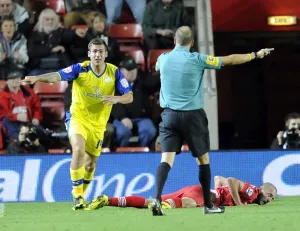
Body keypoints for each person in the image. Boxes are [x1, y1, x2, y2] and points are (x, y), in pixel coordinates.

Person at [151, 26, 274, 216]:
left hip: (169, 116)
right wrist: (255, 55)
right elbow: (230, 59)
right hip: (192, 116)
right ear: (192, 43)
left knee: (166, 159)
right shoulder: (198, 59)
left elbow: (158, 67)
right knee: (203, 160)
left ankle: (157, 199)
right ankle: (209, 206)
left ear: (174, 41)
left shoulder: (163, 58)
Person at [20, 38, 133, 211]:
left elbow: (129, 96)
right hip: (77, 118)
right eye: (94, 51)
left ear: (106, 54)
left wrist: (117, 98)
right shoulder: (80, 69)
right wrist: (37, 78)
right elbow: (56, 75)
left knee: (90, 164)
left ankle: (81, 196)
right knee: (78, 149)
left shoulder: (114, 72)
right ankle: (77, 195)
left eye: (100, 51)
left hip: (98, 124)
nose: (97, 54)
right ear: (89, 54)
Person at [87, 175, 277, 209]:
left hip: (196, 189)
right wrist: (236, 203)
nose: (269, 199)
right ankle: (163, 207)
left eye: (272, 198)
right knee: (190, 204)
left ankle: (107, 200)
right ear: (261, 189)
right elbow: (231, 181)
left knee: (148, 202)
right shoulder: (253, 193)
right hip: (201, 195)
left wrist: (221, 190)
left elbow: (219, 178)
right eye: (269, 195)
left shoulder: (251, 197)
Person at [111, 57, 159, 148]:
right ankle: (122, 152)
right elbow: (113, 104)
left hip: (142, 118)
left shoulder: (142, 81)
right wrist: (123, 118)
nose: (132, 72)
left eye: (134, 69)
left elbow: (155, 81)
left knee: (149, 130)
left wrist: (164, 71)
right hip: (121, 119)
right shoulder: (114, 84)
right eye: (128, 69)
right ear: (121, 71)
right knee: (122, 132)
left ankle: (142, 151)